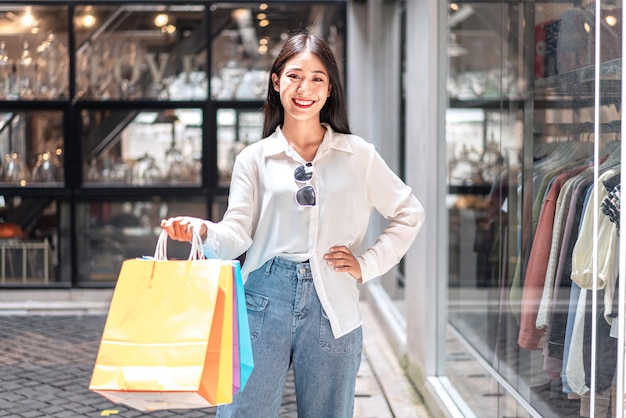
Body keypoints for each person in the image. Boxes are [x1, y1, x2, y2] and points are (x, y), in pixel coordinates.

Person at [161, 31, 425, 418]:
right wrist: (203, 231)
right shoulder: (254, 158)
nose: (305, 88)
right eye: (295, 76)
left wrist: (367, 263)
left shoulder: (358, 155)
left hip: (332, 304)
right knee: (242, 413)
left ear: (331, 88)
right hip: (261, 301)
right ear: (277, 81)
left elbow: (409, 213)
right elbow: (236, 233)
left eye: (318, 78)